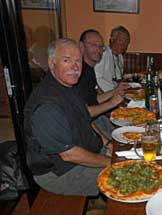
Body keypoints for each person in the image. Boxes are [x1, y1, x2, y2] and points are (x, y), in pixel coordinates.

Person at [23, 38, 111, 196]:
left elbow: (85, 118)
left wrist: (107, 143)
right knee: (123, 176)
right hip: (58, 173)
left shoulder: (68, 85)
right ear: (51, 63)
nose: (75, 67)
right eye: (66, 60)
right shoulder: (46, 106)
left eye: (78, 60)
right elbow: (69, 154)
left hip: (80, 153)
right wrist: (110, 163)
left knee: (128, 154)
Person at [77, 29, 128, 139]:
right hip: (86, 126)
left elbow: (94, 98)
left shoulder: (89, 69)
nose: (98, 50)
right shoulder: (78, 73)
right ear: (81, 46)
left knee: (124, 133)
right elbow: (84, 113)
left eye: (101, 47)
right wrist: (112, 103)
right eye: (94, 45)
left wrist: (115, 92)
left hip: (96, 117)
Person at [95, 25, 130, 92]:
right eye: (121, 40)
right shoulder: (103, 54)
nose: (124, 44)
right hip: (106, 93)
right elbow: (97, 78)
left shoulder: (120, 57)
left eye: (127, 41)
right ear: (112, 40)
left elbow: (118, 78)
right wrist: (113, 91)